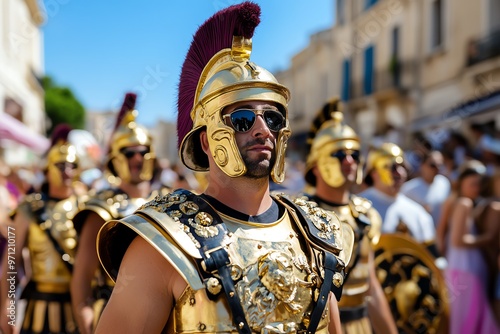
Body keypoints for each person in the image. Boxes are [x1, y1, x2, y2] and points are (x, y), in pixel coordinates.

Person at [95, 3, 353, 333]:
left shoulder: (316, 234)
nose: (263, 130)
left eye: (273, 119)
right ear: (206, 141)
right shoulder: (164, 241)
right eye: (243, 119)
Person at [70, 93, 166, 334]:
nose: (137, 158)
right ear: (116, 158)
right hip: (113, 315)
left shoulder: (168, 201)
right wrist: (88, 323)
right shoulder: (102, 208)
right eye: (129, 152)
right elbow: (82, 277)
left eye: (142, 151)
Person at [302, 99, 397, 334]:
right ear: (316, 165)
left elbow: (370, 286)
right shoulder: (299, 215)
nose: (350, 161)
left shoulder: (366, 215)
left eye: (354, 153)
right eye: (339, 154)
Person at [0, 125, 82, 334]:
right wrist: (8, 307)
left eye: (72, 165)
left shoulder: (86, 208)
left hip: (76, 308)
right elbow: (11, 260)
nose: (68, 171)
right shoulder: (29, 207)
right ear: (47, 169)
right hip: (38, 307)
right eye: (61, 165)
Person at [444, 160, 500, 334]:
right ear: (462, 184)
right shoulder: (465, 204)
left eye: (479, 184)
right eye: (473, 184)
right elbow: (458, 241)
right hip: (465, 271)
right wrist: (488, 238)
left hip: (461, 270)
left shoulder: (457, 202)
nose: (477, 188)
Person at [359, 143, 441, 258]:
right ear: (374, 173)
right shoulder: (358, 207)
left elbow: (431, 256)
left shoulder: (417, 212)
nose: (400, 173)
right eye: (392, 167)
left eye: (402, 167)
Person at [401, 150, 451, 228]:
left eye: (440, 165)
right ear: (422, 165)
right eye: (432, 165)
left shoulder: (444, 183)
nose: (437, 169)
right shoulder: (408, 189)